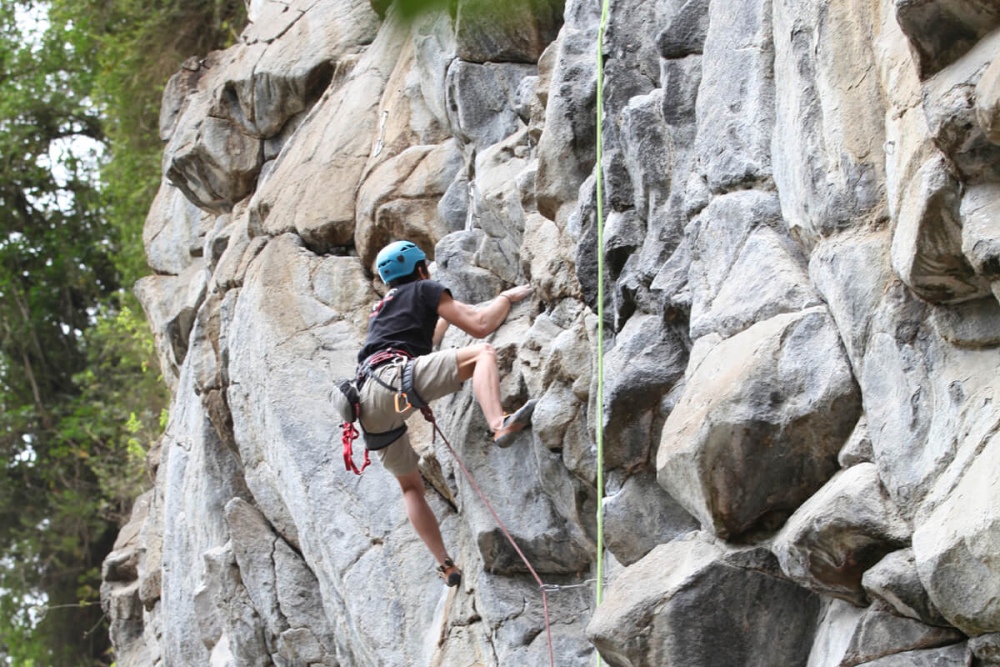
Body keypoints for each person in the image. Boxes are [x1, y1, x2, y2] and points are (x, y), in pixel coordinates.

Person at [355, 240, 537, 587]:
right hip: (397, 380)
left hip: (366, 403)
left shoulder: (382, 308)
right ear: (421, 270)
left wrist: (449, 313)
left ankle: (446, 565)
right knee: (482, 353)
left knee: (411, 488)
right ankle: (499, 424)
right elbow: (480, 325)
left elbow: (430, 337)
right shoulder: (424, 288)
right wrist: (506, 299)